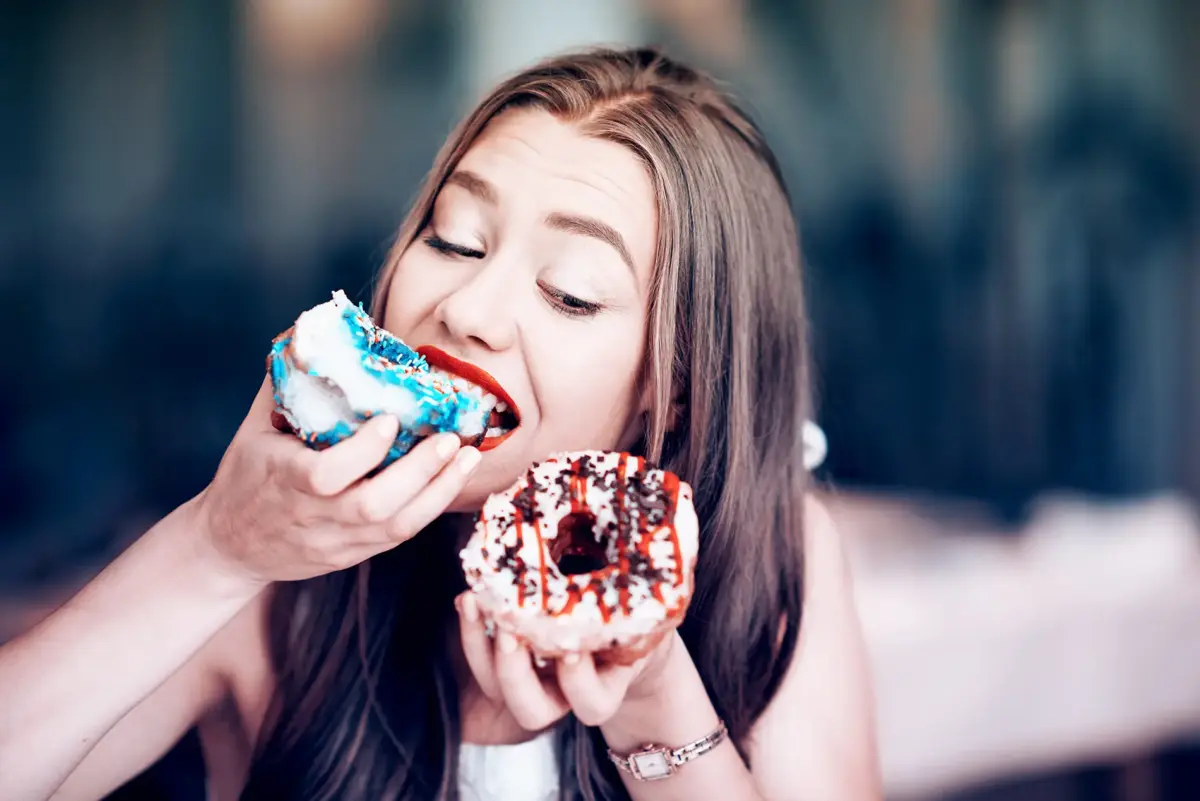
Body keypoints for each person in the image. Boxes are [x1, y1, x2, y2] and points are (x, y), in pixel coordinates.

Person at [0, 47, 880, 801]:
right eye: (455, 239)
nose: (467, 308)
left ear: (674, 387)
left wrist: (651, 698)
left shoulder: (775, 552)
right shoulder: (277, 569)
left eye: (570, 291)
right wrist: (215, 546)